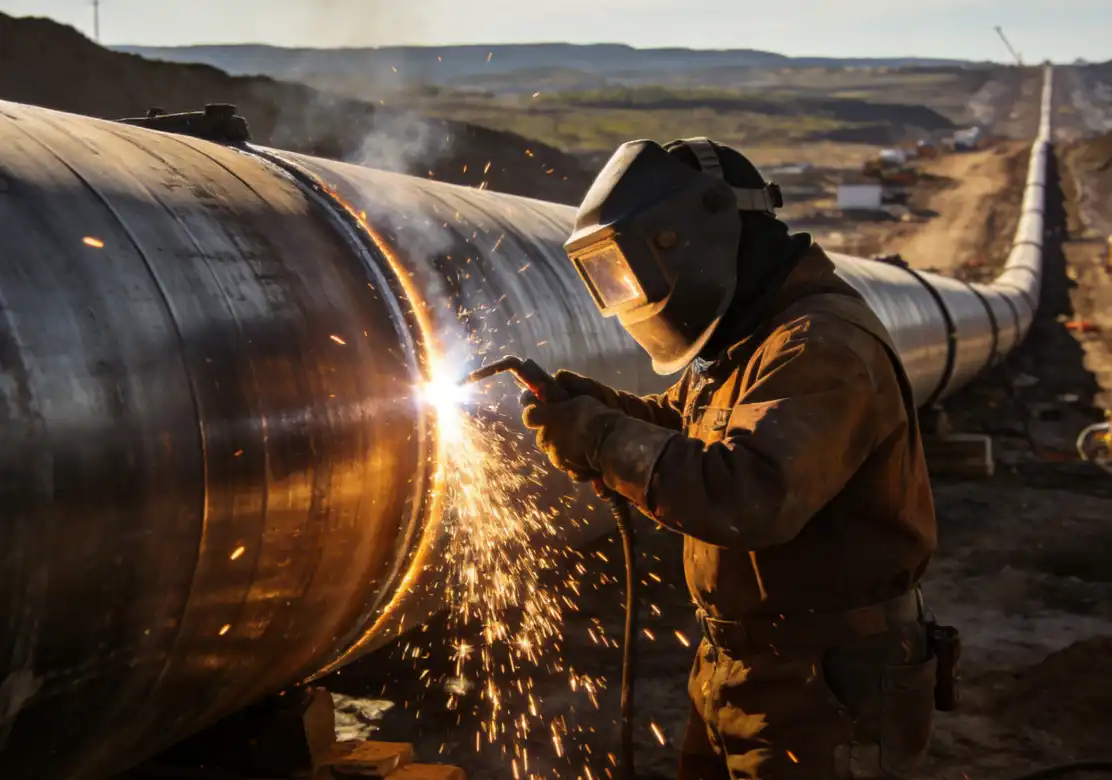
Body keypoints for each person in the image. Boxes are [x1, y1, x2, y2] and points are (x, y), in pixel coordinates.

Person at [520, 138, 940, 779]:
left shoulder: (819, 345)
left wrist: (601, 437)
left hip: (830, 684)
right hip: (746, 668)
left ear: (696, 237)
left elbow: (749, 496)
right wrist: (597, 406)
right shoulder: (750, 339)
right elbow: (684, 428)